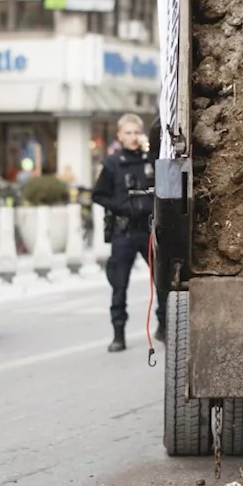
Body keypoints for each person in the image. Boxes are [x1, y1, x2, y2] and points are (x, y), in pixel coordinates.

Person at [92, 113, 159, 353]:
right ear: (119, 136)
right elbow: (98, 195)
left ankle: (164, 326)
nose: (132, 137)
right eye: (127, 133)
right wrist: (122, 207)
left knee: (160, 281)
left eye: (136, 132)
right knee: (119, 285)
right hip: (124, 231)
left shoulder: (150, 159)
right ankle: (118, 334)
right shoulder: (112, 163)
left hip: (148, 230)